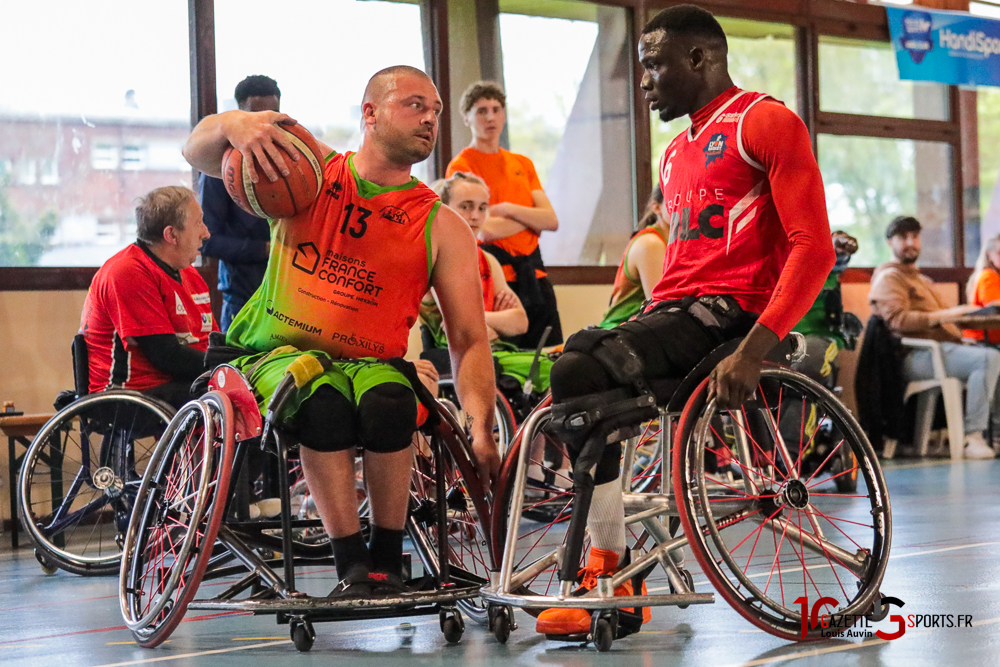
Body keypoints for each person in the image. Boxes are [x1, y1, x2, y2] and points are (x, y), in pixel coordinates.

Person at [534, 5, 836, 638]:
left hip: (732, 318)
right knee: (579, 377)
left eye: (652, 65)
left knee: (581, 367)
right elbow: (678, 271)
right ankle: (613, 566)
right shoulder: (674, 155)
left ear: (699, 59)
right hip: (675, 313)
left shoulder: (766, 121)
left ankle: (608, 567)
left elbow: (815, 248)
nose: (643, 81)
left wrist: (755, 349)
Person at [182, 65, 500, 596]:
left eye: (438, 111)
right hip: (275, 354)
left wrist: (481, 425)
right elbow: (196, 151)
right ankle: (350, 560)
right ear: (369, 113)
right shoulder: (308, 171)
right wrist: (235, 123)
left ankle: (386, 558)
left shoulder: (440, 224)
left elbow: (468, 338)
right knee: (322, 401)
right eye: (415, 104)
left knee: (392, 404)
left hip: (373, 363)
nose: (430, 118)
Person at [869, 215, 998, 459]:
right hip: (914, 356)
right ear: (889, 242)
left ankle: (995, 435)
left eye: (915, 236)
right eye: (903, 237)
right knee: (988, 358)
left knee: (994, 355)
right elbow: (898, 321)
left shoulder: (920, 279)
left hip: (940, 351)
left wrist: (963, 314)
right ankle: (973, 437)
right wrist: (949, 314)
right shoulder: (889, 278)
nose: (910, 242)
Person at [447, 81, 563, 349]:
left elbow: (551, 220)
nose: (490, 117)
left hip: (536, 275)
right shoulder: (463, 165)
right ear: (467, 118)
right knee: (508, 363)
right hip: (499, 282)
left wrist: (507, 209)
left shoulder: (522, 163)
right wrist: (530, 220)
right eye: (481, 110)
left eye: (496, 109)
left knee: (550, 355)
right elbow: (484, 228)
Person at [421, 172, 554, 401]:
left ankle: (536, 437)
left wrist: (482, 319)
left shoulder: (488, 260)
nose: (475, 216)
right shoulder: (434, 257)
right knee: (556, 372)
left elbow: (520, 322)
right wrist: (495, 320)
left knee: (562, 367)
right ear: (443, 209)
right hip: (461, 356)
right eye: (466, 206)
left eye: (482, 208)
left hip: (497, 351)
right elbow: (457, 322)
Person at [80, 186, 215, 409]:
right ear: (171, 235)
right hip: (128, 394)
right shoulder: (128, 272)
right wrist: (229, 366)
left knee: (249, 385)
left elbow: (208, 343)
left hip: (172, 383)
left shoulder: (189, 274)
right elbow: (166, 356)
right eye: (198, 223)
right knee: (231, 396)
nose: (206, 233)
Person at [198, 75, 280, 331]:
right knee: (239, 368)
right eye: (256, 115)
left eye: (272, 113)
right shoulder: (222, 169)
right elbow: (207, 239)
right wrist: (264, 249)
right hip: (241, 295)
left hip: (286, 293)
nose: (264, 122)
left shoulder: (292, 159)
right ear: (240, 113)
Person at [791, 230, 860, 389]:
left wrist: (836, 249)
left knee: (810, 361)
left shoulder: (816, 257)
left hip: (815, 334)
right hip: (771, 332)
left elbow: (832, 265)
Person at [598, 185, 667, 330]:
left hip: (642, 332)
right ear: (656, 207)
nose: (686, 205)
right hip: (619, 336)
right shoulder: (650, 243)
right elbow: (663, 308)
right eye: (676, 199)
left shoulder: (681, 242)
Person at [964, 233, 1000, 344]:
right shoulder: (988, 276)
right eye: (999, 253)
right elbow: (995, 306)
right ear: (989, 255)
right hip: (982, 340)